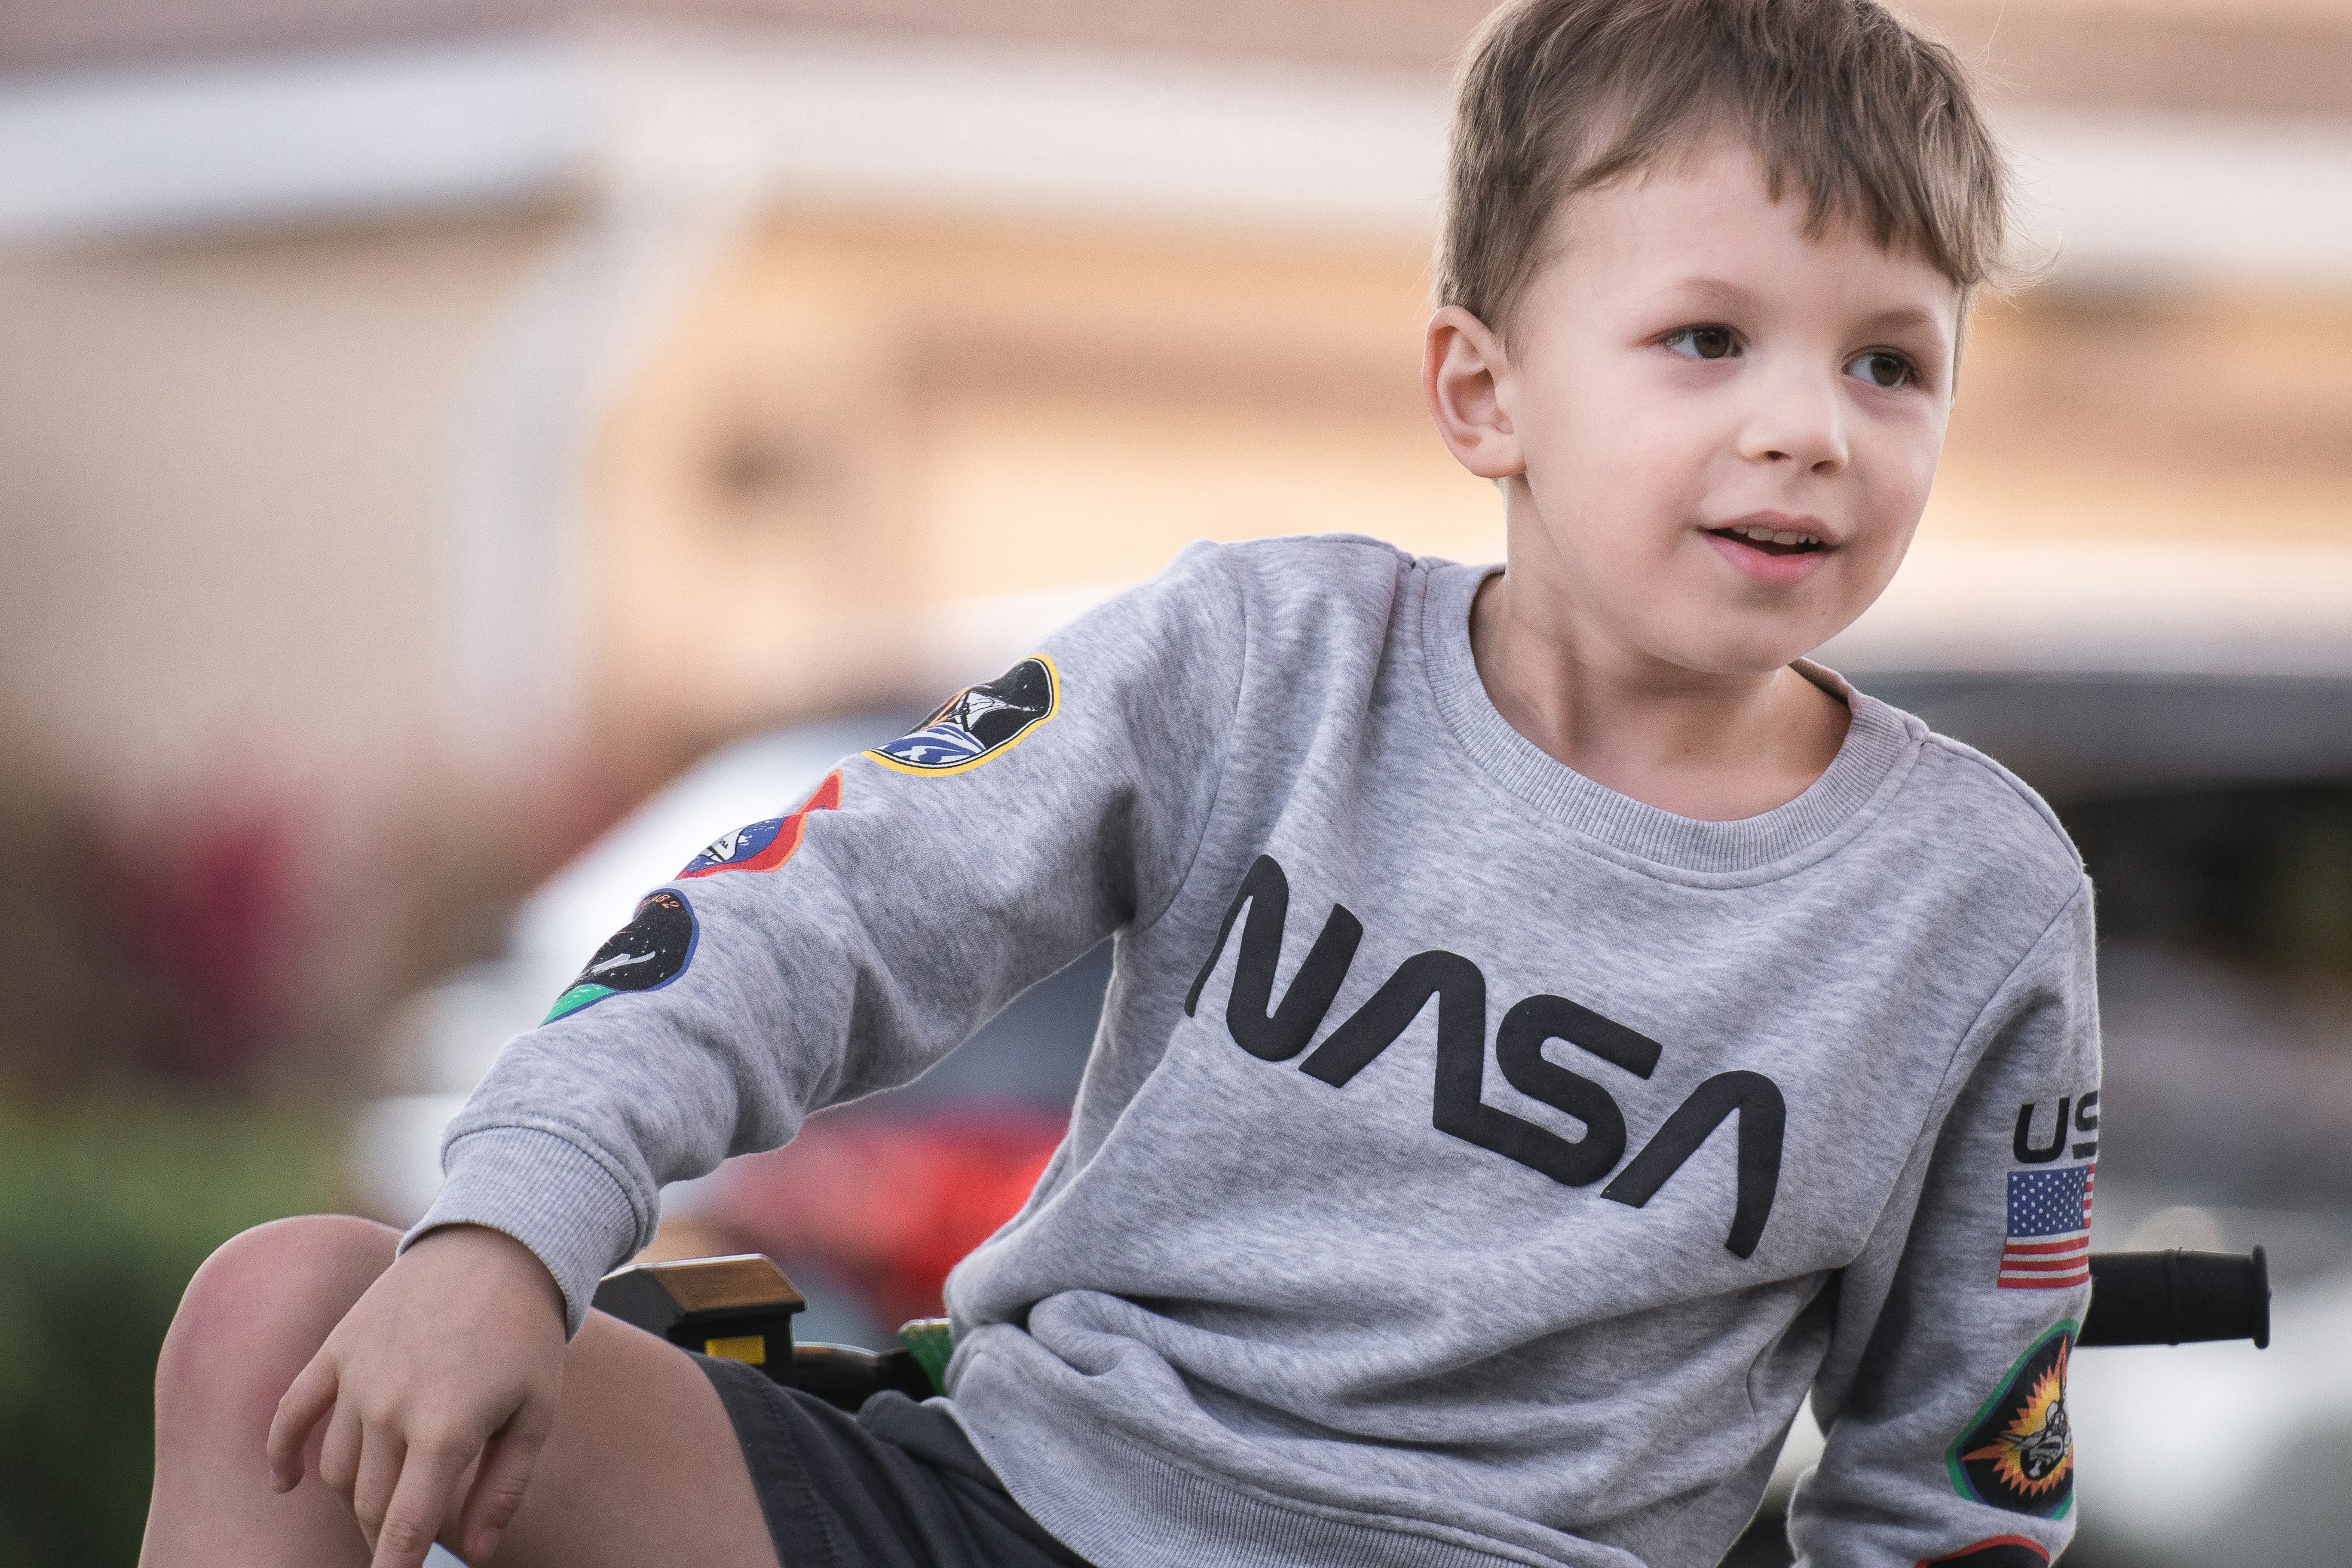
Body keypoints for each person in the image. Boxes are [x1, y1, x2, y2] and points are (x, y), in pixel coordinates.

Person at [142, 2, 2102, 1566]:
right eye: (1706, 339)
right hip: (1023, 1503)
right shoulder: (1257, 661)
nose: (1809, 433)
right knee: (284, 1320)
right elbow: (807, 915)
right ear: (1480, 389)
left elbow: (1956, 1474)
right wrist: (508, 1230)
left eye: (1889, 367)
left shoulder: (1972, 900)